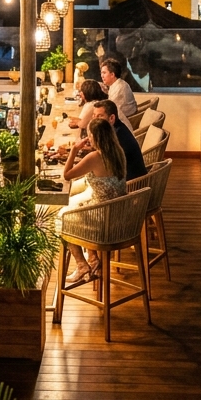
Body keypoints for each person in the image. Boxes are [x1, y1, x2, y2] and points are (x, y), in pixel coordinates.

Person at [59, 117, 129, 287]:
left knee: (62, 216)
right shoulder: (118, 151)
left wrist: (74, 150)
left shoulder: (94, 157)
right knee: (81, 204)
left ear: (95, 137)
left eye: (89, 135)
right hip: (119, 213)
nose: (88, 138)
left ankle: (82, 265)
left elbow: (67, 175)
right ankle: (93, 259)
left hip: (103, 218)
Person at [94, 98, 147, 180]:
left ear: (111, 118)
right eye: (94, 115)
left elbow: (106, 163)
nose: (95, 120)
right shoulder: (116, 128)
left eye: (99, 116)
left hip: (131, 185)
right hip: (123, 178)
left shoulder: (118, 135)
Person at [100, 58, 137, 124]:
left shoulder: (119, 88)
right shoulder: (117, 84)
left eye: (104, 73)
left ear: (112, 75)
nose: (102, 76)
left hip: (123, 123)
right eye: (101, 73)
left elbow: (110, 111)